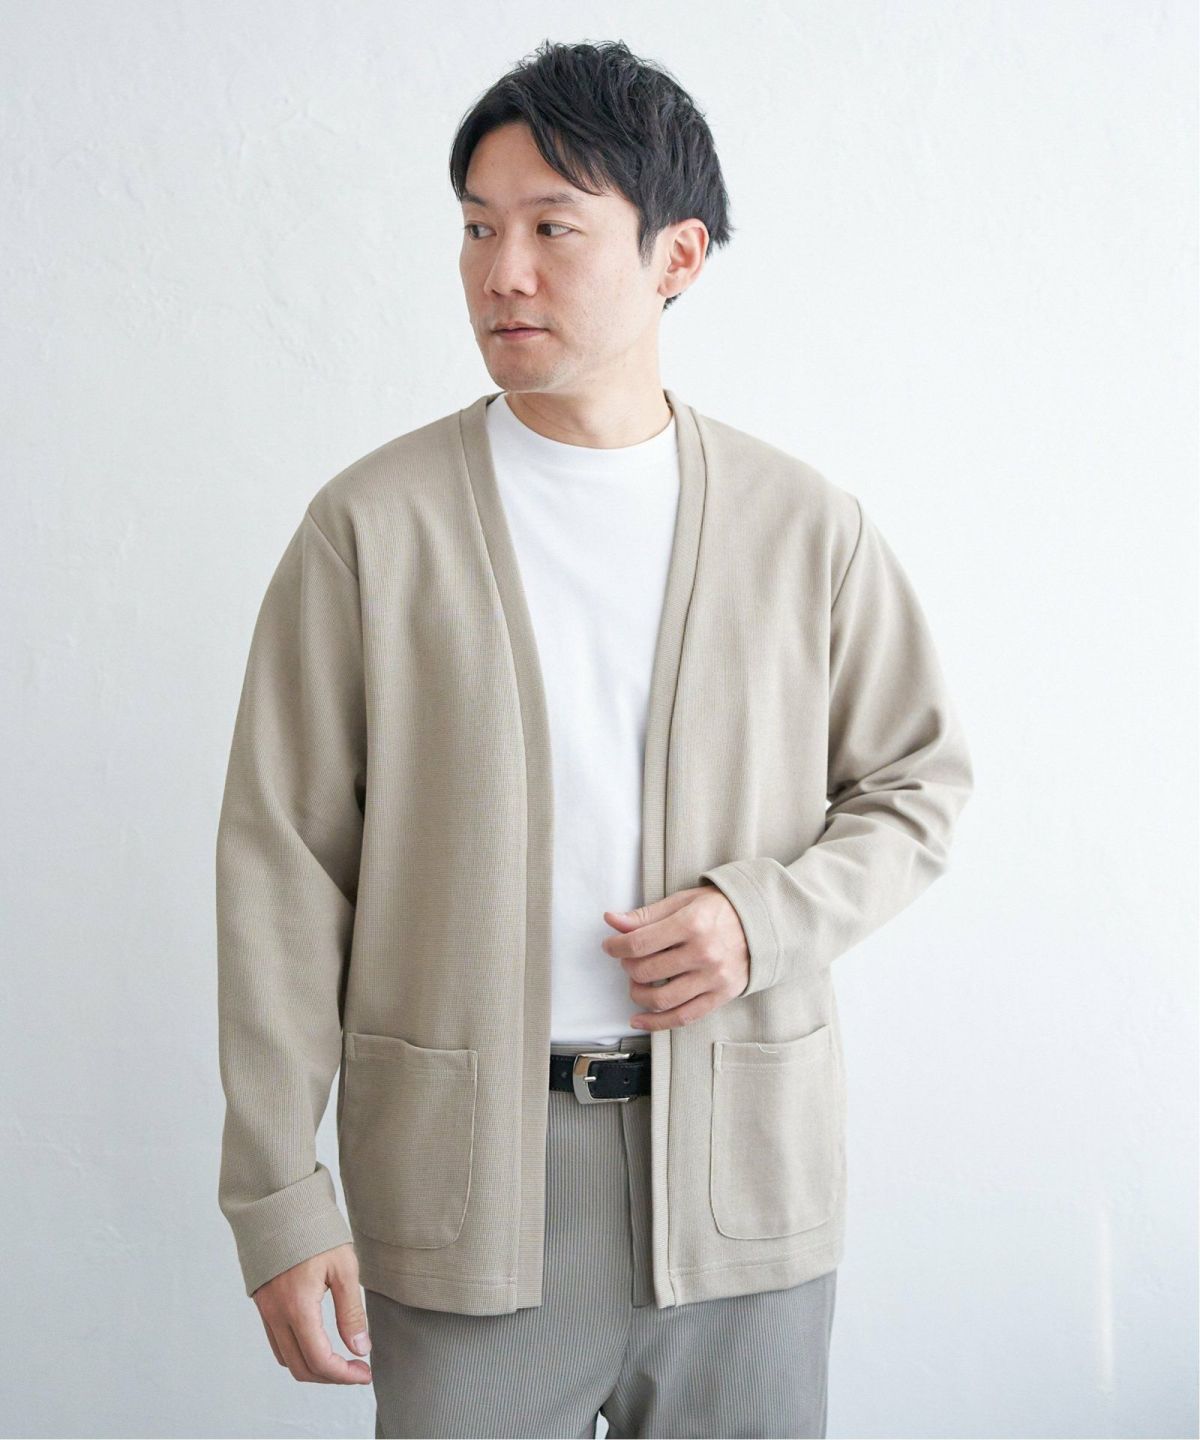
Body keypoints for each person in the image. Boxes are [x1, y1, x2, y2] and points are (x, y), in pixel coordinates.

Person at [215, 38, 974, 1440]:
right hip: (466, 1193)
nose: (501, 271)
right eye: (476, 228)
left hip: (741, 1178)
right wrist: (277, 1193)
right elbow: (281, 866)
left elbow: (917, 785)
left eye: (552, 229)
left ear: (677, 255)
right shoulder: (371, 529)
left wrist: (759, 919)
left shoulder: (802, 527)